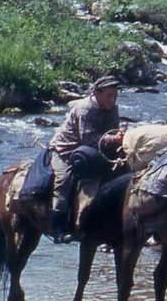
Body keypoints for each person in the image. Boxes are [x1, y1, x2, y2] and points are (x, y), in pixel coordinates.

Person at [48, 75, 124, 242]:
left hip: (96, 150)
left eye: (115, 96)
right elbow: (87, 139)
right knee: (63, 181)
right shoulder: (85, 109)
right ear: (97, 93)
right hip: (66, 150)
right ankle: (57, 227)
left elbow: (111, 131)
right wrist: (113, 139)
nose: (112, 100)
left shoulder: (113, 108)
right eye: (109, 96)